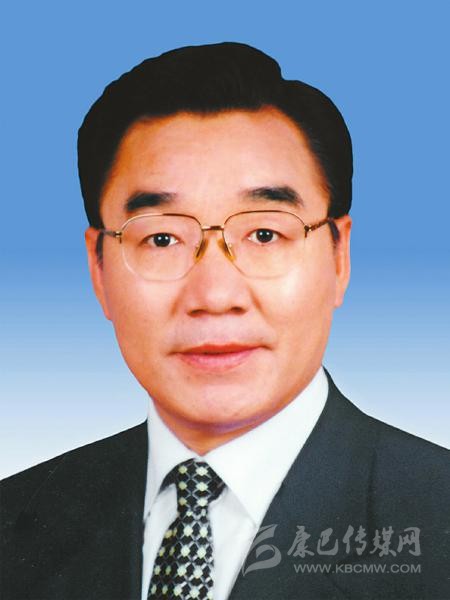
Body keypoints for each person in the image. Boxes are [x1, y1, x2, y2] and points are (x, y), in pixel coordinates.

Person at [1, 42, 449, 600]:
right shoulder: (16, 520)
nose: (214, 295)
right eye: (161, 238)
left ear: (339, 258)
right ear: (98, 269)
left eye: (264, 233)